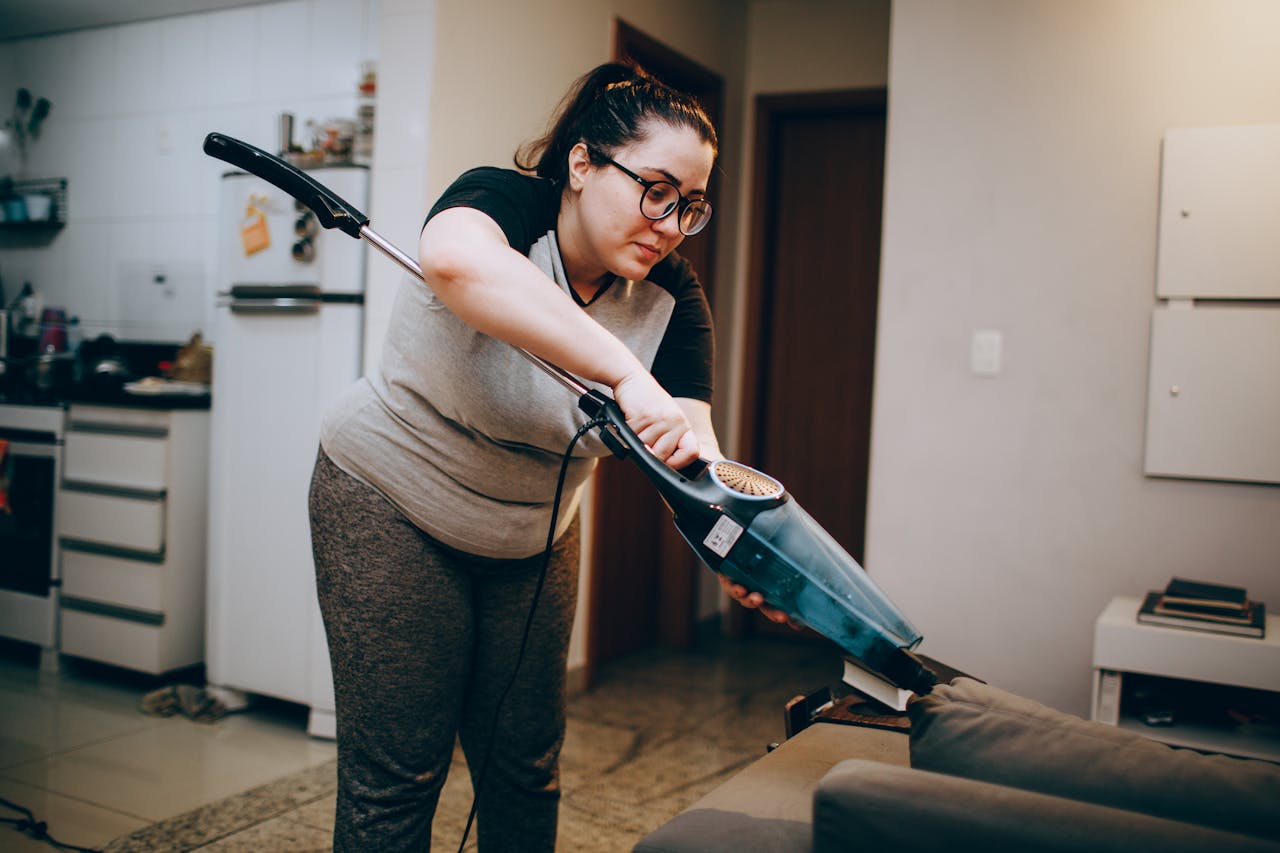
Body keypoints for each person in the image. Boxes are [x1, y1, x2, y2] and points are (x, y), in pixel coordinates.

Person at [308, 61, 787, 852]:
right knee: (398, 777)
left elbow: (689, 451)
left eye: (691, 206)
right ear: (580, 164)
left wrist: (738, 548)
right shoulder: (501, 200)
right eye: (655, 188)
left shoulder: (673, 298)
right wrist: (627, 374)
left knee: (525, 766)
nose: (669, 223)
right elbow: (456, 262)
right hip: (388, 500)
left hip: (532, 533)